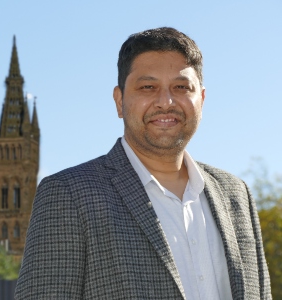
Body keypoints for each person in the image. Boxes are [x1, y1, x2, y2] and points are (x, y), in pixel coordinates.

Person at [15, 27, 271, 300]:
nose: (165, 102)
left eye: (181, 87)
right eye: (148, 87)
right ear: (120, 101)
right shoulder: (68, 194)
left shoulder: (237, 195)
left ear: (202, 99)